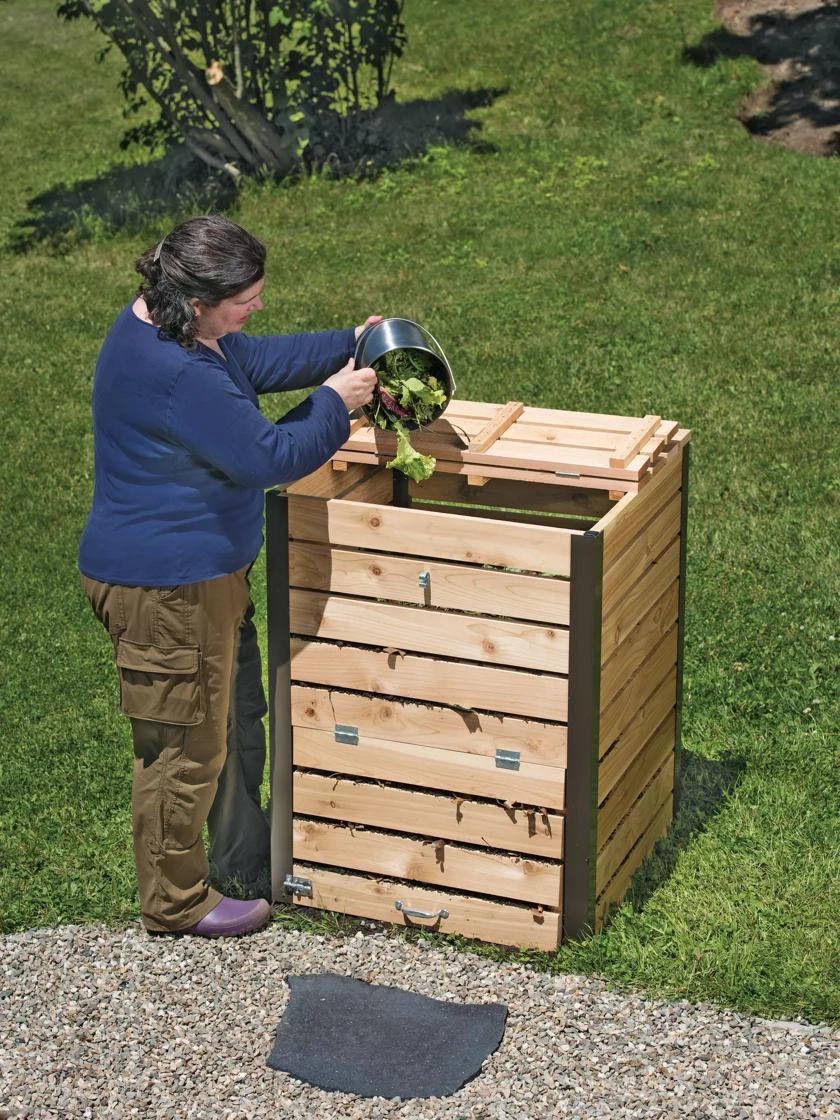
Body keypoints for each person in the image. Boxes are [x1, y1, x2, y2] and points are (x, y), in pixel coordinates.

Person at [78, 214, 379, 938]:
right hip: (166, 591)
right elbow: (268, 456)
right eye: (245, 300)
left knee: (231, 721)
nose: (258, 308)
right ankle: (176, 903)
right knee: (183, 749)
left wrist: (352, 342)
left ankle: (241, 857)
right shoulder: (178, 373)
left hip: (201, 579)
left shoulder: (178, 330)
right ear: (198, 301)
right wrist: (336, 402)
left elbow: (255, 360)